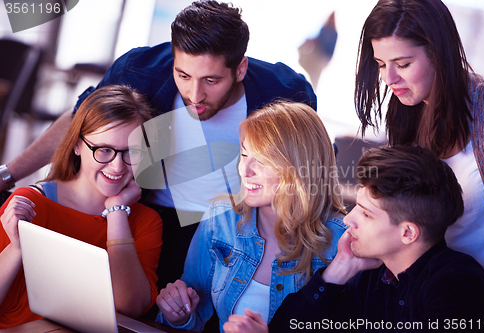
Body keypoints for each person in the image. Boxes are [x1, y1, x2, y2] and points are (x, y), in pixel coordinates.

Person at [0, 0, 317, 291]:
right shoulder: (141, 70)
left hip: (239, 231)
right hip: (157, 218)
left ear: (240, 69)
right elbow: (80, 122)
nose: (195, 94)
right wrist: (8, 175)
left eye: (211, 80)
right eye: (183, 75)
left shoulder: (285, 92)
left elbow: (307, 164)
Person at [155, 101, 347, 332]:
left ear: (300, 168)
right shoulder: (220, 218)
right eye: (245, 154)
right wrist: (178, 316)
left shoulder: (341, 242)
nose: (245, 171)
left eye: (263, 161)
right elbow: (193, 317)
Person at [267, 145, 484, 333]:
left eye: (366, 213)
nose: (348, 220)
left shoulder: (456, 287)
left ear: (408, 233)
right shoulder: (374, 277)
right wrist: (339, 269)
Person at [354, 0, 484, 286]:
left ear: (439, 53)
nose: (389, 79)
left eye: (404, 64)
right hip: (429, 294)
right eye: (381, 64)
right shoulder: (405, 111)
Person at [0, 85, 162, 328]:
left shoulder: (146, 221)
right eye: (104, 150)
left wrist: (117, 211)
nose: (118, 167)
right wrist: (17, 248)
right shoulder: (31, 203)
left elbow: (129, 305)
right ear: (76, 145)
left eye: (132, 153)